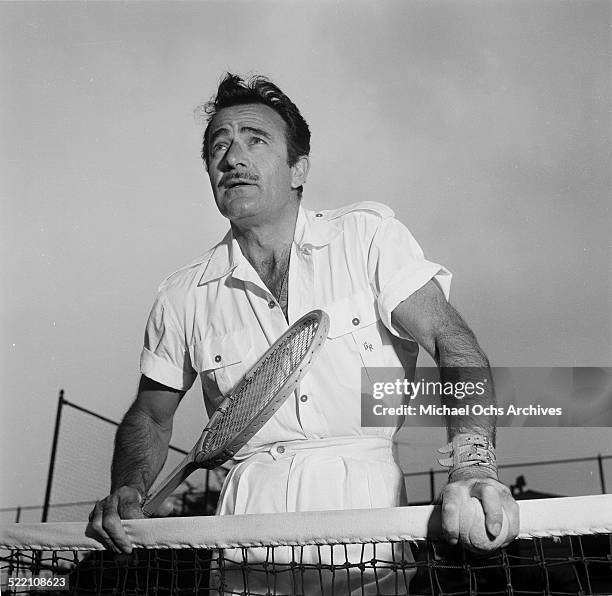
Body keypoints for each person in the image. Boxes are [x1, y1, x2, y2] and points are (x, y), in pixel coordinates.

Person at [90, 73, 519, 591]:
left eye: (255, 139)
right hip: (243, 538)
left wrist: (473, 466)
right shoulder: (182, 293)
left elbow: (454, 343)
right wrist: (127, 488)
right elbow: (152, 417)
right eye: (218, 146)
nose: (231, 157)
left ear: (298, 169)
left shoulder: (367, 236)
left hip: (367, 532)